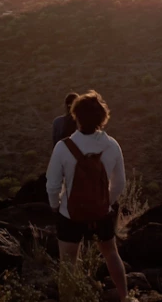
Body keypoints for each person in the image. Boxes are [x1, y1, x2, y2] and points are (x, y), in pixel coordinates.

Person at [46, 90, 136, 302]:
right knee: (111, 253)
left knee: (68, 262)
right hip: (101, 213)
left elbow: (52, 184)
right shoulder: (112, 146)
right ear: (102, 118)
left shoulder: (63, 147)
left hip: (70, 213)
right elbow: (120, 183)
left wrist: (55, 206)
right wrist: (106, 202)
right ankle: (125, 297)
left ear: (75, 115)